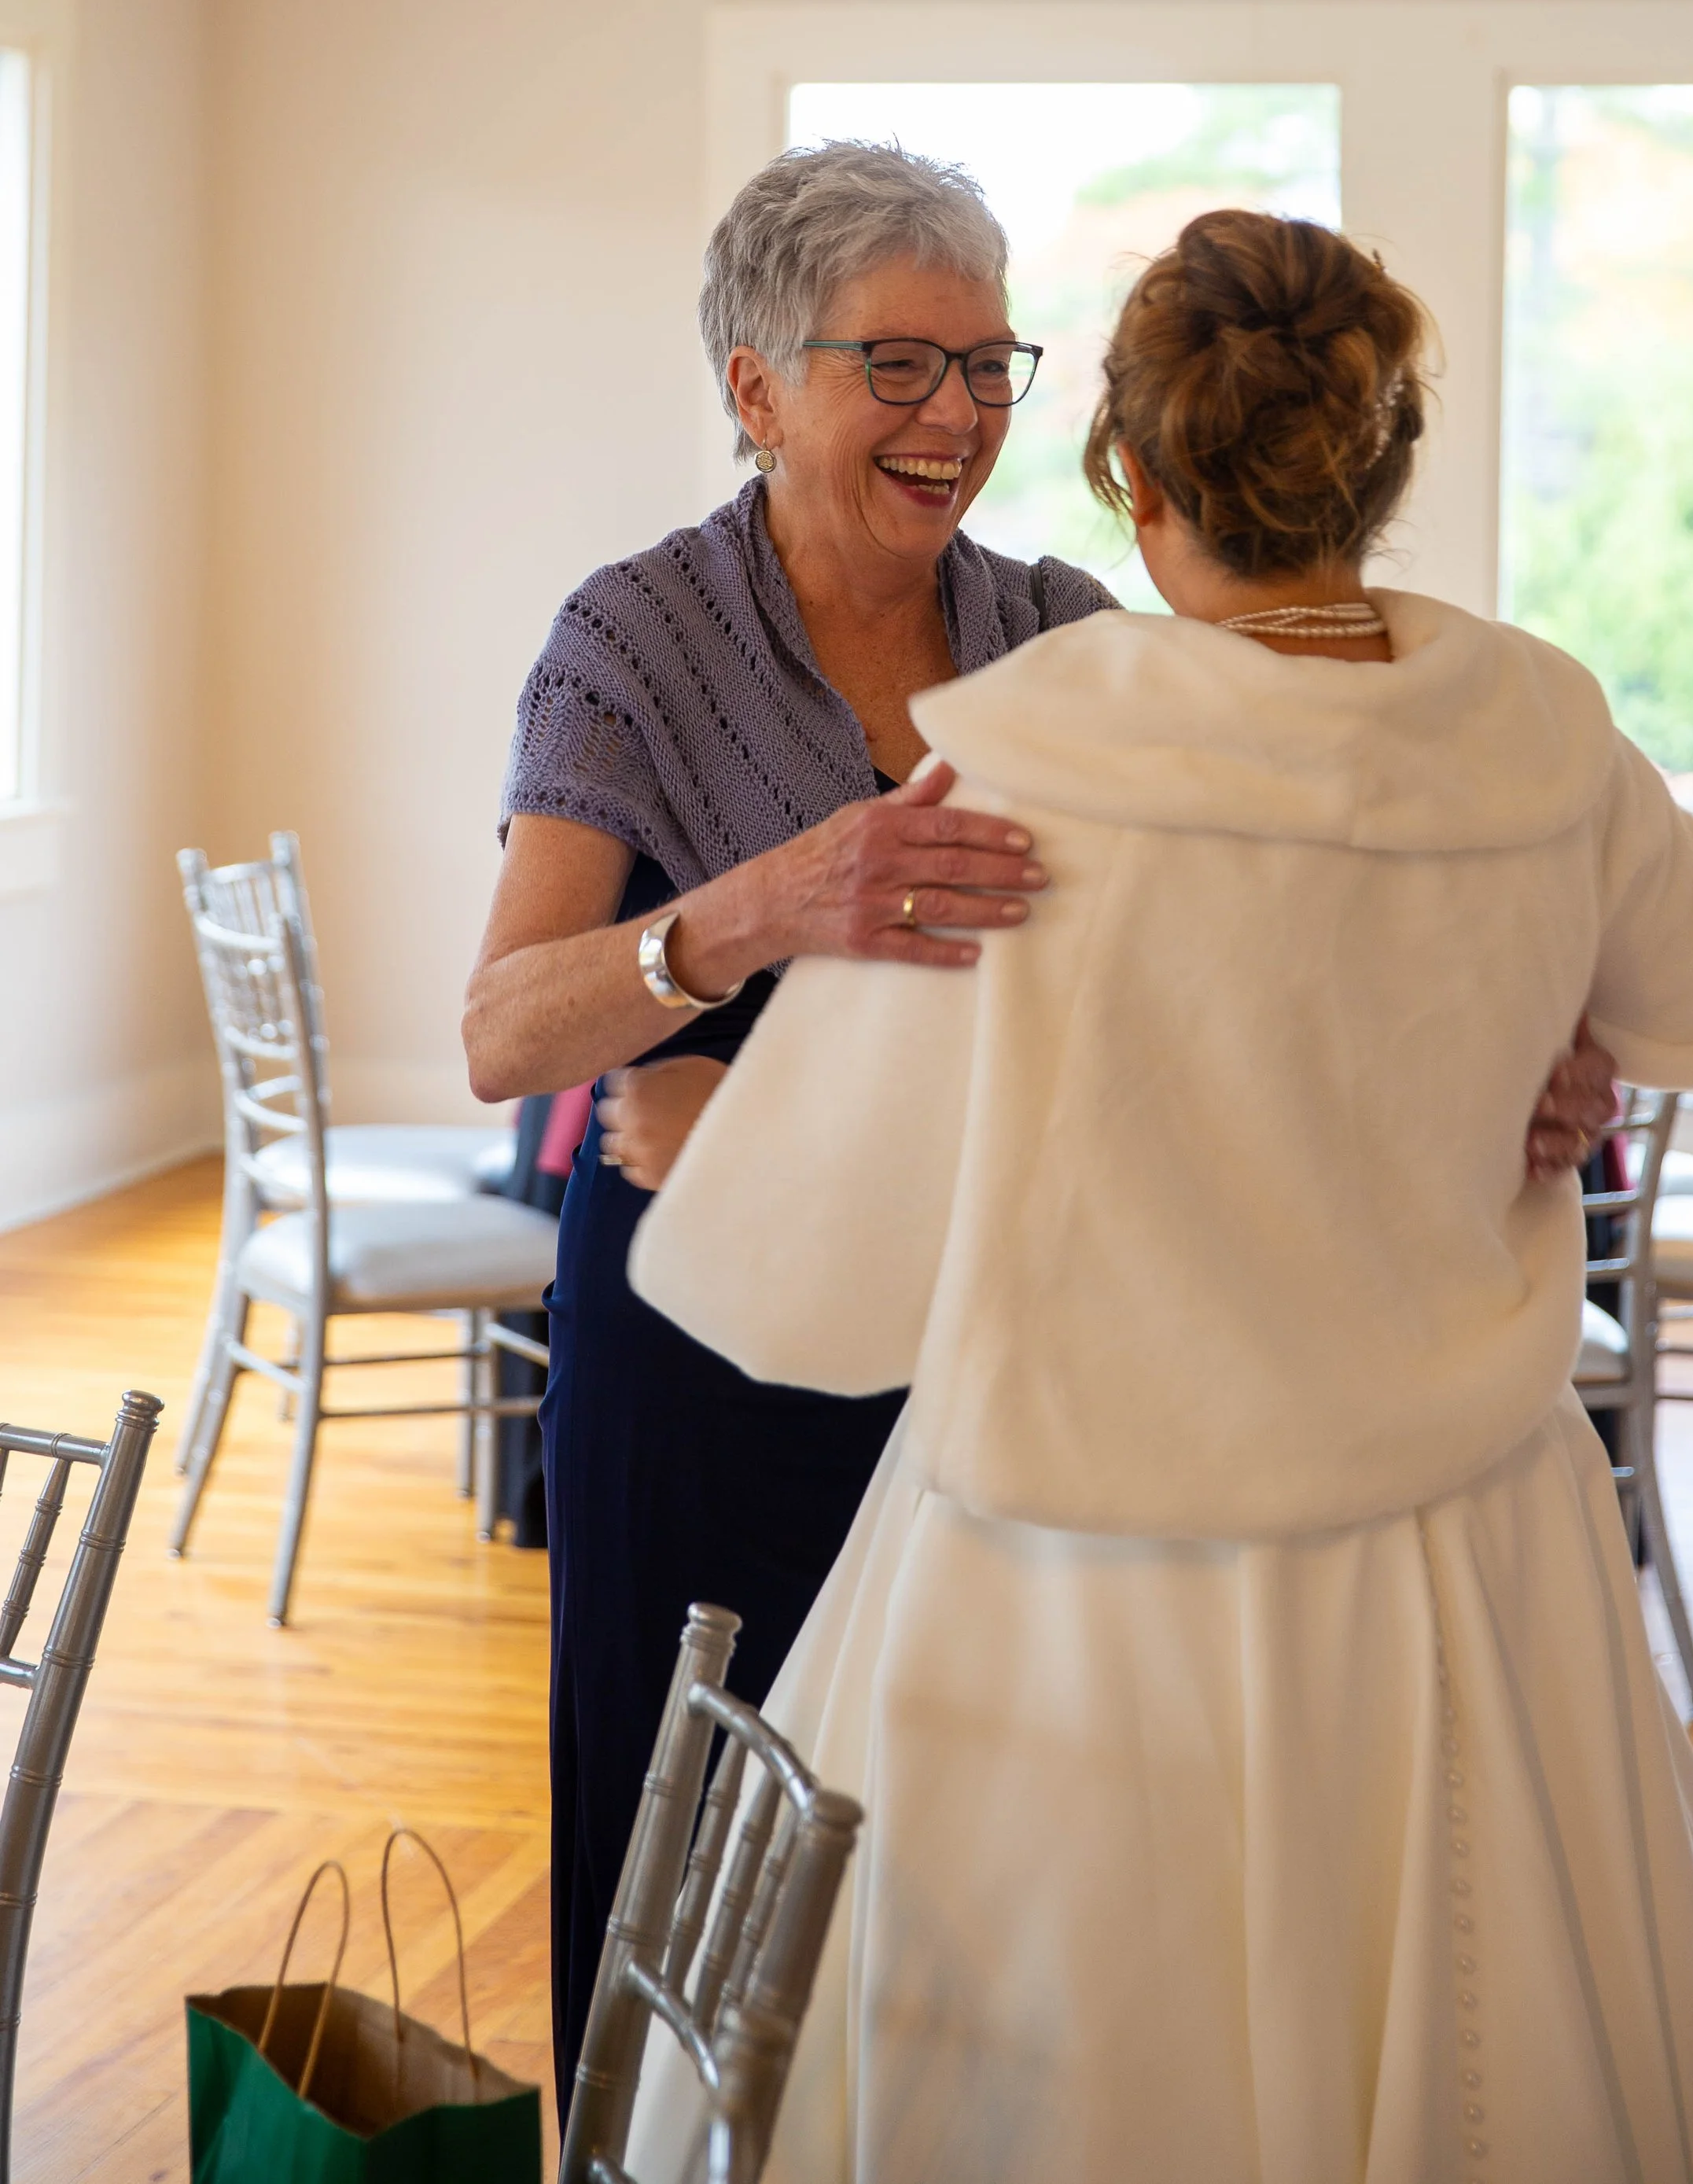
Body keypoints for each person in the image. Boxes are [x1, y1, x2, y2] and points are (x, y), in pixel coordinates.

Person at [626, 211, 1693, 2183]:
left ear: (1125, 472)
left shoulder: (1020, 775)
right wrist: (1573, 1036)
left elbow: (813, 1290)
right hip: (1466, 1557)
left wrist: (702, 1145)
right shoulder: (1539, 726)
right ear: (1377, 469)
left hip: (1077, 1584)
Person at [463, 145, 1617, 2116]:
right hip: (700, 1354)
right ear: (752, 386)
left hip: (1003, 1355)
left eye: (990, 364)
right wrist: (753, 909)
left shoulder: (1065, 629)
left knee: (955, 1898)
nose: (960, 419)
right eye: (898, 367)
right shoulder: (632, 635)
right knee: (678, 1841)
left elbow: (1280, 940)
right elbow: (502, 1026)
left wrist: (1505, 1054)